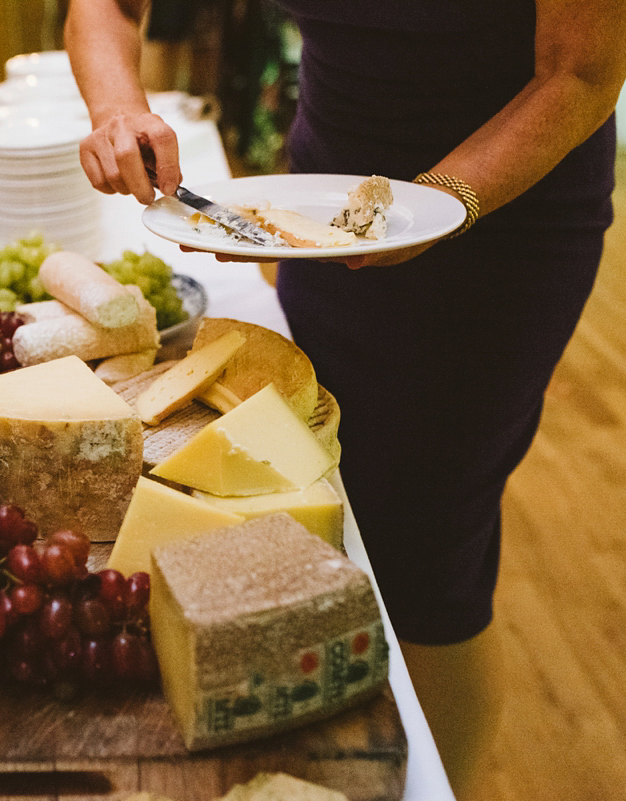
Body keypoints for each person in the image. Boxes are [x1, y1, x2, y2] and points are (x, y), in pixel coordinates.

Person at [64, 0, 626, 797]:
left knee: (432, 553)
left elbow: (582, 72)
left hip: (504, 219)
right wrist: (119, 111)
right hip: (326, 215)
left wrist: (434, 202)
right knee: (340, 493)